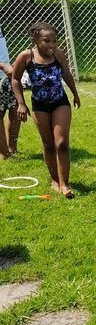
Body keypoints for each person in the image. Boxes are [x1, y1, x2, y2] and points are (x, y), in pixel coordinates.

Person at [10, 22, 81, 198]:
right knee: (49, 145)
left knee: (62, 143)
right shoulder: (26, 56)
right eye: (46, 41)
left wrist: (75, 94)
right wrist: (21, 103)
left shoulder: (57, 54)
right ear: (35, 40)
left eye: (54, 40)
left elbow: (66, 74)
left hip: (60, 102)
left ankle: (65, 184)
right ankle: (55, 180)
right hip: (40, 105)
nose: (51, 44)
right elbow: (15, 80)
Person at [0, 60, 21, 158]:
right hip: (4, 70)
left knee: (15, 109)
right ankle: (4, 153)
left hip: (8, 76)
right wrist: (2, 65)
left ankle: (12, 149)